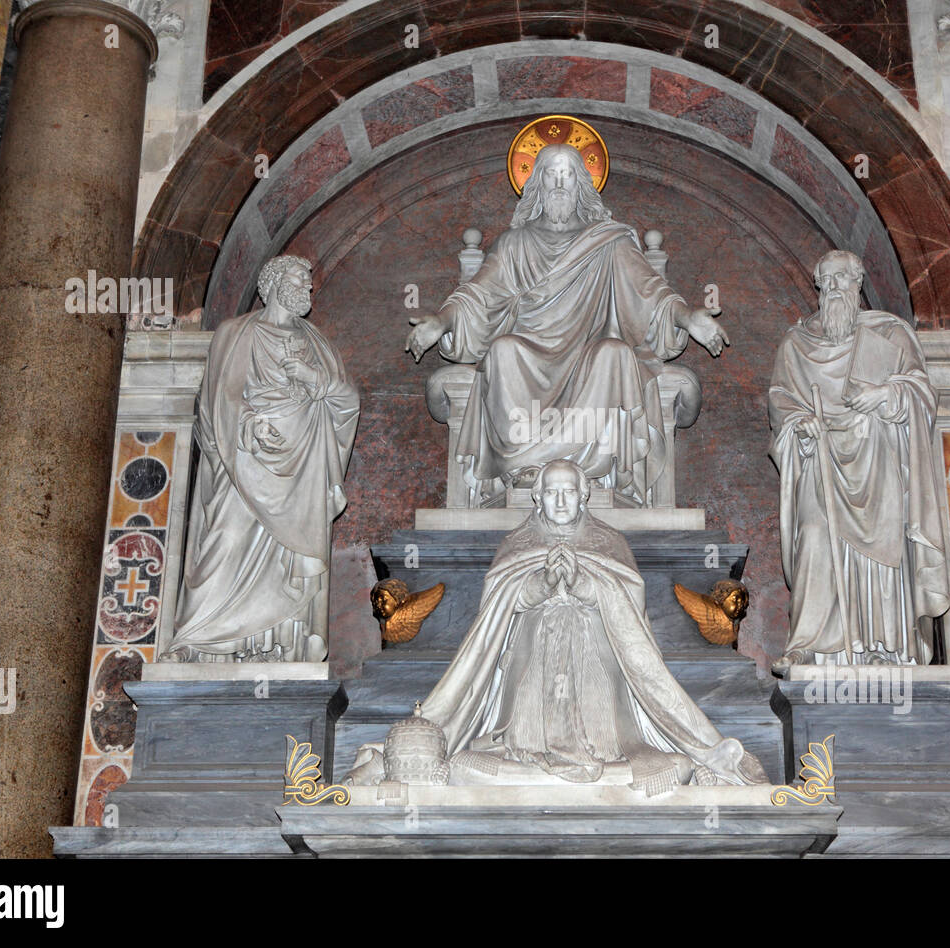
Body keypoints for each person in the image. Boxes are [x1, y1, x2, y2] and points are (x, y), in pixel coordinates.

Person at [349, 459, 768, 791]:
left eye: (569, 492)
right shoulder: (518, 544)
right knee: (471, 755)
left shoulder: (610, 543)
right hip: (530, 664)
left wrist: (588, 587)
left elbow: (630, 614)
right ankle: (526, 756)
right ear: (538, 499)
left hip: (599, 664)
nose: (561, 501)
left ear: (585, 496)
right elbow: (495, 611)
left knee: (668, 760)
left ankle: (604, 759)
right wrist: (537, 586)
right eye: (552, 492)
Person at [404, 144, 728, 507]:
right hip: (527, 351)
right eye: (551, 173)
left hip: (590, 352)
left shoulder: (609, 242)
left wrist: (688, 317)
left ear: (582, 183)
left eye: (568, 173)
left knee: (615, 354)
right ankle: (523, 467)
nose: (559, 182)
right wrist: (442, 321)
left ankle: (595, 470)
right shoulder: (514, 244)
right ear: (537, 182)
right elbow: (477, 297)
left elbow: (650, 293)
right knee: (502, 351)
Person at [167, 255, 359, 662]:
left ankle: (277, 645)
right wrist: (248, 424)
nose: (307, 287)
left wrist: (315, 381)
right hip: (244, 459)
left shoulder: (318, 344)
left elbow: (346, 400)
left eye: (309, 281)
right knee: (227, 538)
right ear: (270, 282)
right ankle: (200, 636)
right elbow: (218, 397)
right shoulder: (234, 333)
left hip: (302, 469)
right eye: (297, 278)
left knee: (288, 559)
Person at [768, 250, 950, 667]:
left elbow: (922, 393)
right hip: (821, 460)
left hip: (879, 461)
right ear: (817, 287)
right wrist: (800, 424)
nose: (834, 288)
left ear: (859, 284)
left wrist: (884, 395)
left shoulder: (889, 335)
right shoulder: (796, 346)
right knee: (814, 534)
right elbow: (780, 401)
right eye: (827, 281)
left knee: (884, 547)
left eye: (843, 280)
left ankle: (884, 648)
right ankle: (810, 645)